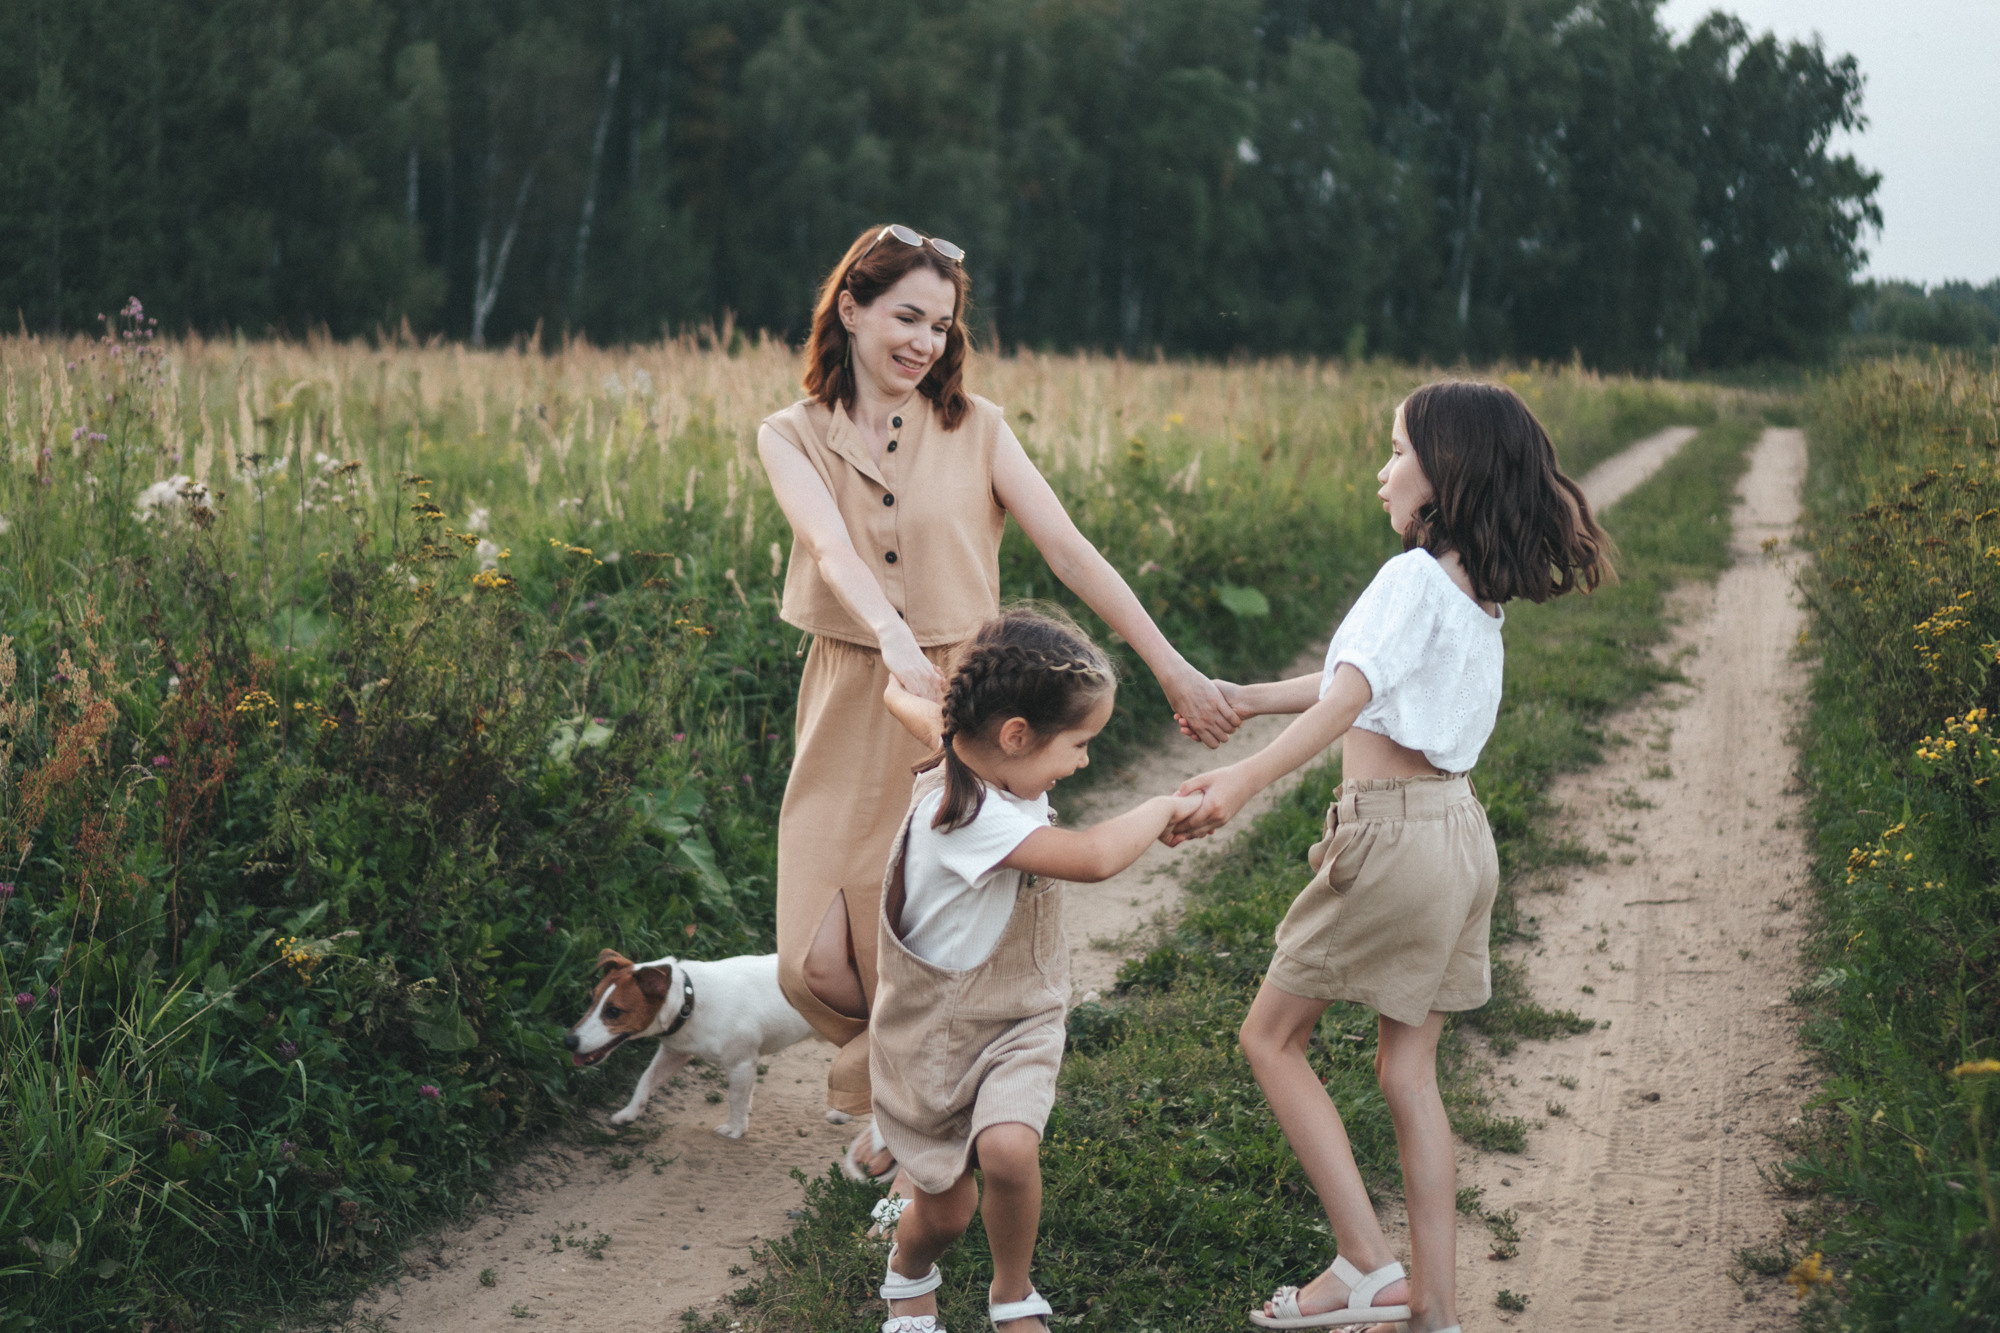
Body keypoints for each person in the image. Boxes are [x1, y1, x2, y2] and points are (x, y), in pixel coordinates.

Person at [756, 224, 1238, 1181]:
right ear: (849, 309)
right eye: (906, 316)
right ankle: (909, 1091)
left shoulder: (978, 425)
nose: (924, 342)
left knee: (943, 934)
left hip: (969, 706)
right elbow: (828, 549)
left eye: (940, 324)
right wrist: (891, 636)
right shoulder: (790, 433)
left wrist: (1172, 664)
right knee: (812, 962)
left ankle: (921, 1132)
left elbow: (1068, 550)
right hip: (854, 686)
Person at [1168, 381, 1611, 1333]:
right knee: (1409, 1079)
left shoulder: (1408, 577)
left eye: (1398, 451)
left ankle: (1368, 1265)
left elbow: (1345, 701)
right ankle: (1435, 1313)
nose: (1384, 469)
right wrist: (1245, 694)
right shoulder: (1471, 593)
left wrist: (1243, 782)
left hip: (1393, 837)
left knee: (1269, 1037)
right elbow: (1362, 682)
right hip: (1459, 837)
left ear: (1444, 475)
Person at [867, 608, 1202, 1333]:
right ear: (1015, 734)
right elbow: (1092, 859)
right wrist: (1162, 807)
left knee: (1011, 1150)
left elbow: (920, 711)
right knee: (945, 1208)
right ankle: (908, 1272)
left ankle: (1012, 1293)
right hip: (930, 1031)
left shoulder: (984, 756)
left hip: (1019, 1013)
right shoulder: (962, 817)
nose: (1082, 762)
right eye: (1078, 744)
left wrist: (902, 686)